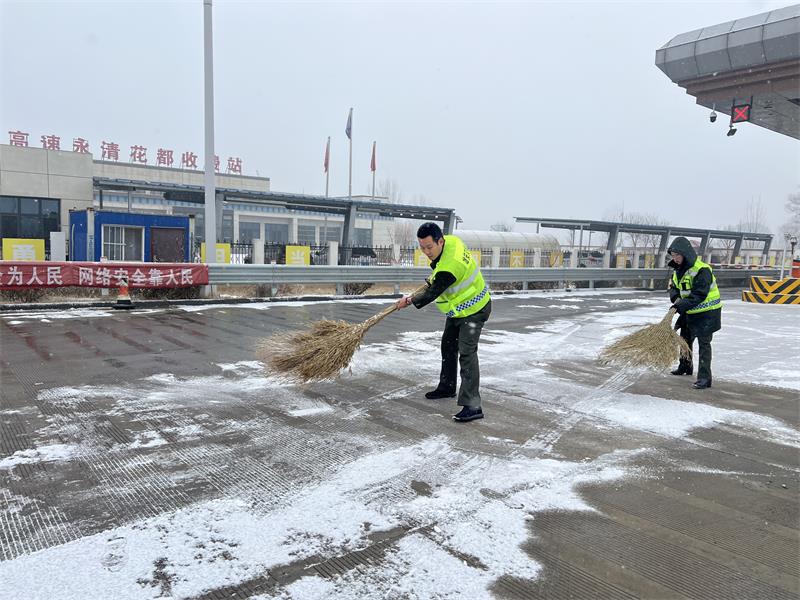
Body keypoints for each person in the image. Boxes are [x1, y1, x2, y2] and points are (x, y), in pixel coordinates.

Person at [395, 222, 491, 421]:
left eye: (429, 247)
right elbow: (437, 275)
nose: (426, 252)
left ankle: (473, 406)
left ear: (440, 241)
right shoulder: (452, 242)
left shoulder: (450, 267)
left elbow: (433, 291)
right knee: (448, 346)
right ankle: (447, 387)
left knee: (467, 353)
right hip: (459, 310)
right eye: (422, 248)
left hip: (475, 309)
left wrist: (409, 300)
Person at [667, 236, 722, 389]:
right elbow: (673, 287)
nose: (675, 258)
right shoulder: (677, 270)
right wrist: (676, 299)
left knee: (704, 344)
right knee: (684, 339)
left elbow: (699, 294)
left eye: (678, 255)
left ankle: (705, 378)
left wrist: (681, 305)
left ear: (686, 253)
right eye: (673, 255)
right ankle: (685, 366)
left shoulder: (701, 269)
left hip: (707, 312)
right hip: (689, 310)